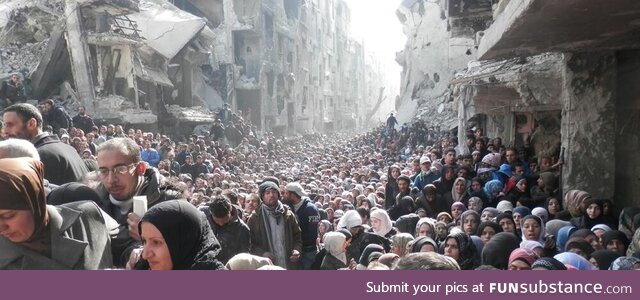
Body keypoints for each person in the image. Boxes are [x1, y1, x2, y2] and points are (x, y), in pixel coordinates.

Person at [0, 158, 117, 269]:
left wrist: (133, 254)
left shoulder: (86, 215)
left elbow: (125, 245)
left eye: (8, 216)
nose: (1, 227)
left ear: (35, 203)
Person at [95, 137, 184, 267]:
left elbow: (186, 253)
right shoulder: (94, 202)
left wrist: (148, 237)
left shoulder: (170, 201)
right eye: (104, 171)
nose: (111, 179)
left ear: (140, 168)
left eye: (120, 169)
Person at [2, 103, 88, 185]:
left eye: (10, 125)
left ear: (32, 124)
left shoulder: (38, 156)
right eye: (4, 125)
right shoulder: (69, 149)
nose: (4, 131)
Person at [134, 200, 224, 270]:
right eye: (144, 241)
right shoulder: (143, 267)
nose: (145, 255)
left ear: (185, 242)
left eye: (156, 242)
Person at [247, 181, 302, 269]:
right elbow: (249, 243)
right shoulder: (255, 218)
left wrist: (297, 250)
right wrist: (262, 253)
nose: (271, 195)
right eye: (267, 193)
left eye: (274, 192)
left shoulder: (287, 213)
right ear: (262, 196)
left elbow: (297, 235)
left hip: (288, 263)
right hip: (267, 266)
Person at [200, 195, 250, 265]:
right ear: (211, 213)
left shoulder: (242, 229)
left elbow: (243, 258)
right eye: (217, 221)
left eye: (224, 220)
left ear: (230, 211)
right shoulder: (201, 216)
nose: (221, 224)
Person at [283, 182, 320, 269]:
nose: (284, 195)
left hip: (307, 251)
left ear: (293, 195)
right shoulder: (288, 206)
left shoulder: (310, 209)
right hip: (293, 250)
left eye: (286, 193)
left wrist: (297, 245)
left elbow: (312, 234)